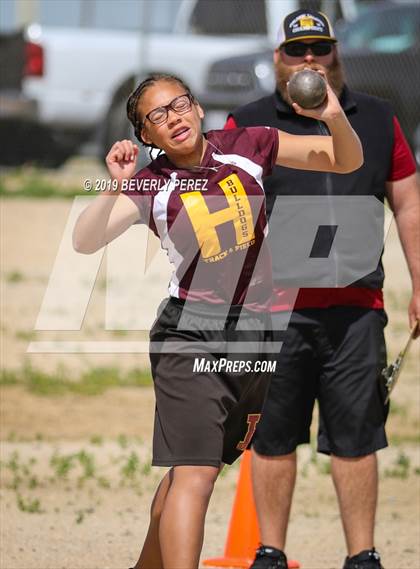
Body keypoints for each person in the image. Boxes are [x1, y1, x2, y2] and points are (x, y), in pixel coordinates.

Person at [72, 72, 362, 569]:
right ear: (146, 136)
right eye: (156, 116)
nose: (173, 118)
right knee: (197, 475)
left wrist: (332, 115)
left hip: (254, 335)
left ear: (198, 107)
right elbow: (84, 240)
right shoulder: (152, 183)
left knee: (189, 472)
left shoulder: (248, 144)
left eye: (179, 104)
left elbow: (344, 159)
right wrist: (111, 188)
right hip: (191, 334)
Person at [225, 9, 420, 569]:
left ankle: (362, 556)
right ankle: (269, 552)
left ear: (336, 54)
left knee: (357, 437)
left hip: (358, 311)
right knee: (273, 435)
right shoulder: (252, 121)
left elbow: (407, 202)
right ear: (278, 59)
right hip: (276, 311)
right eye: (296, 51)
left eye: (319, 49)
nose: (309, 60)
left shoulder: (379, 119)